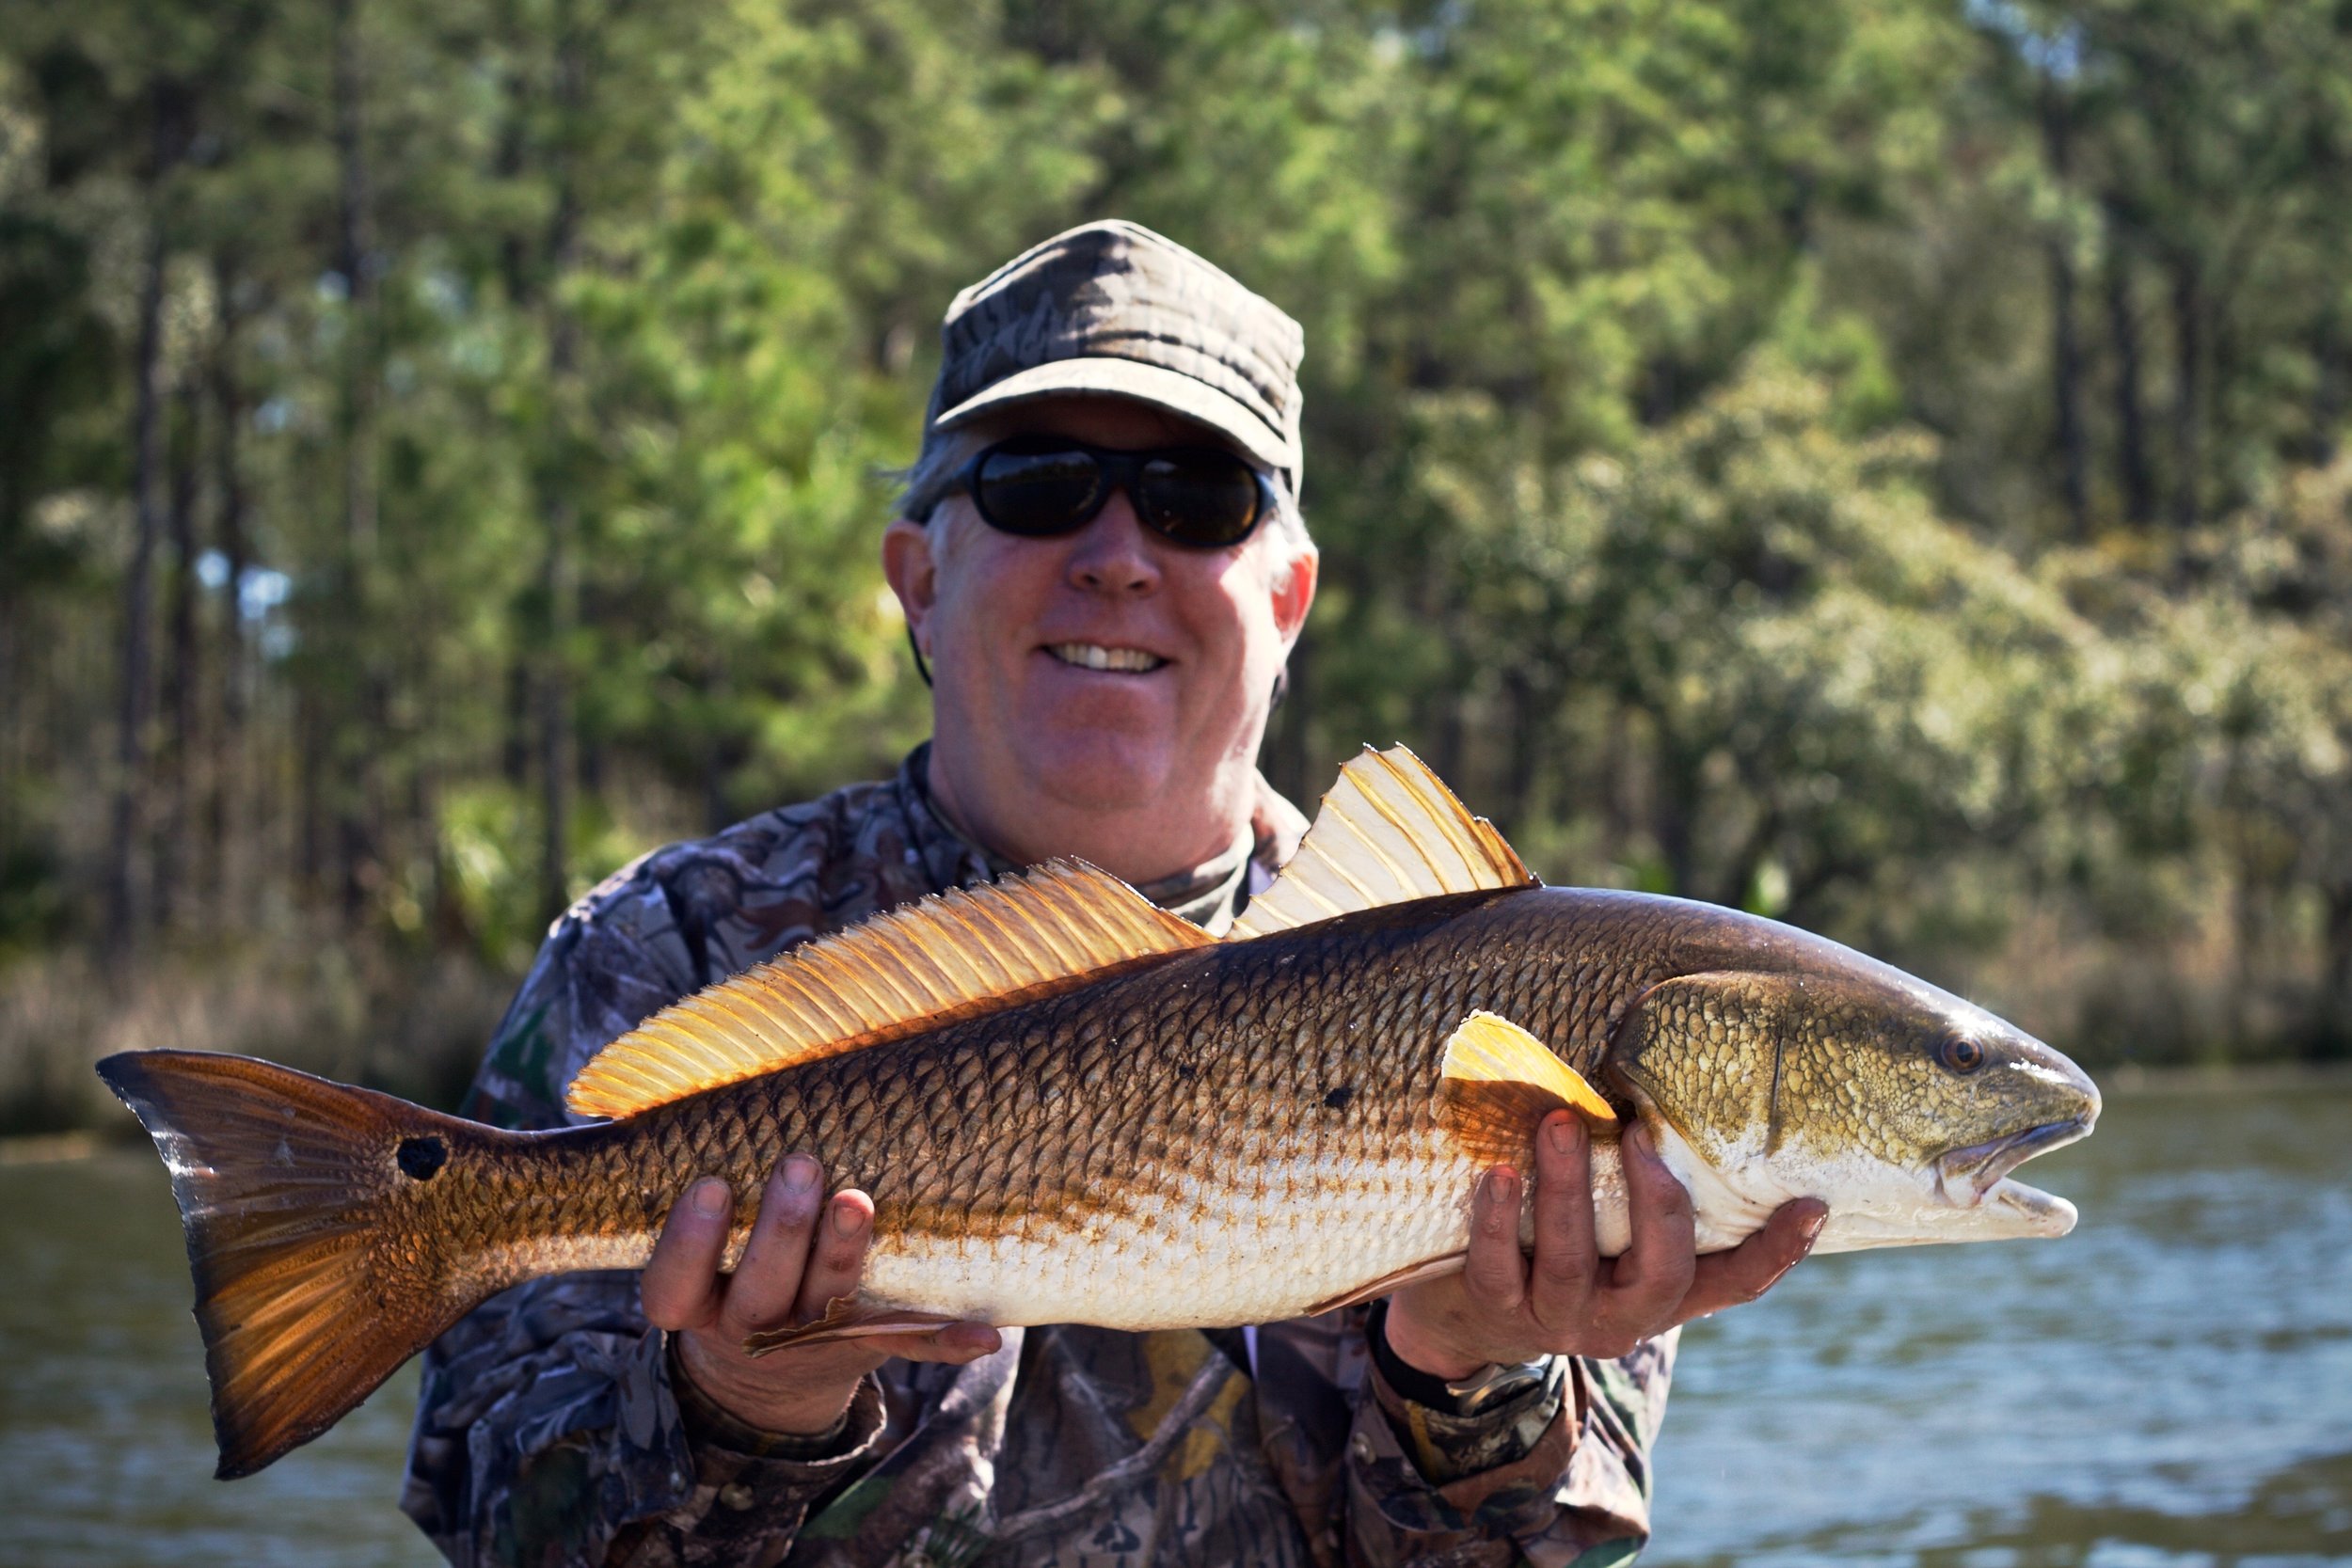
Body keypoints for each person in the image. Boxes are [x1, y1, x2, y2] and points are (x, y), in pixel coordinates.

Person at [401, 219, 1824, 1568]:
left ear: (1288, 599)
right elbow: (494, 1522)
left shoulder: (1539, 999)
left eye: (1200, 499)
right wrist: (744, 1406)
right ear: (917, 577)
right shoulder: (667, 949)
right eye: (1038, 485)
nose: (1118, 556)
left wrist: (1464, 1364)